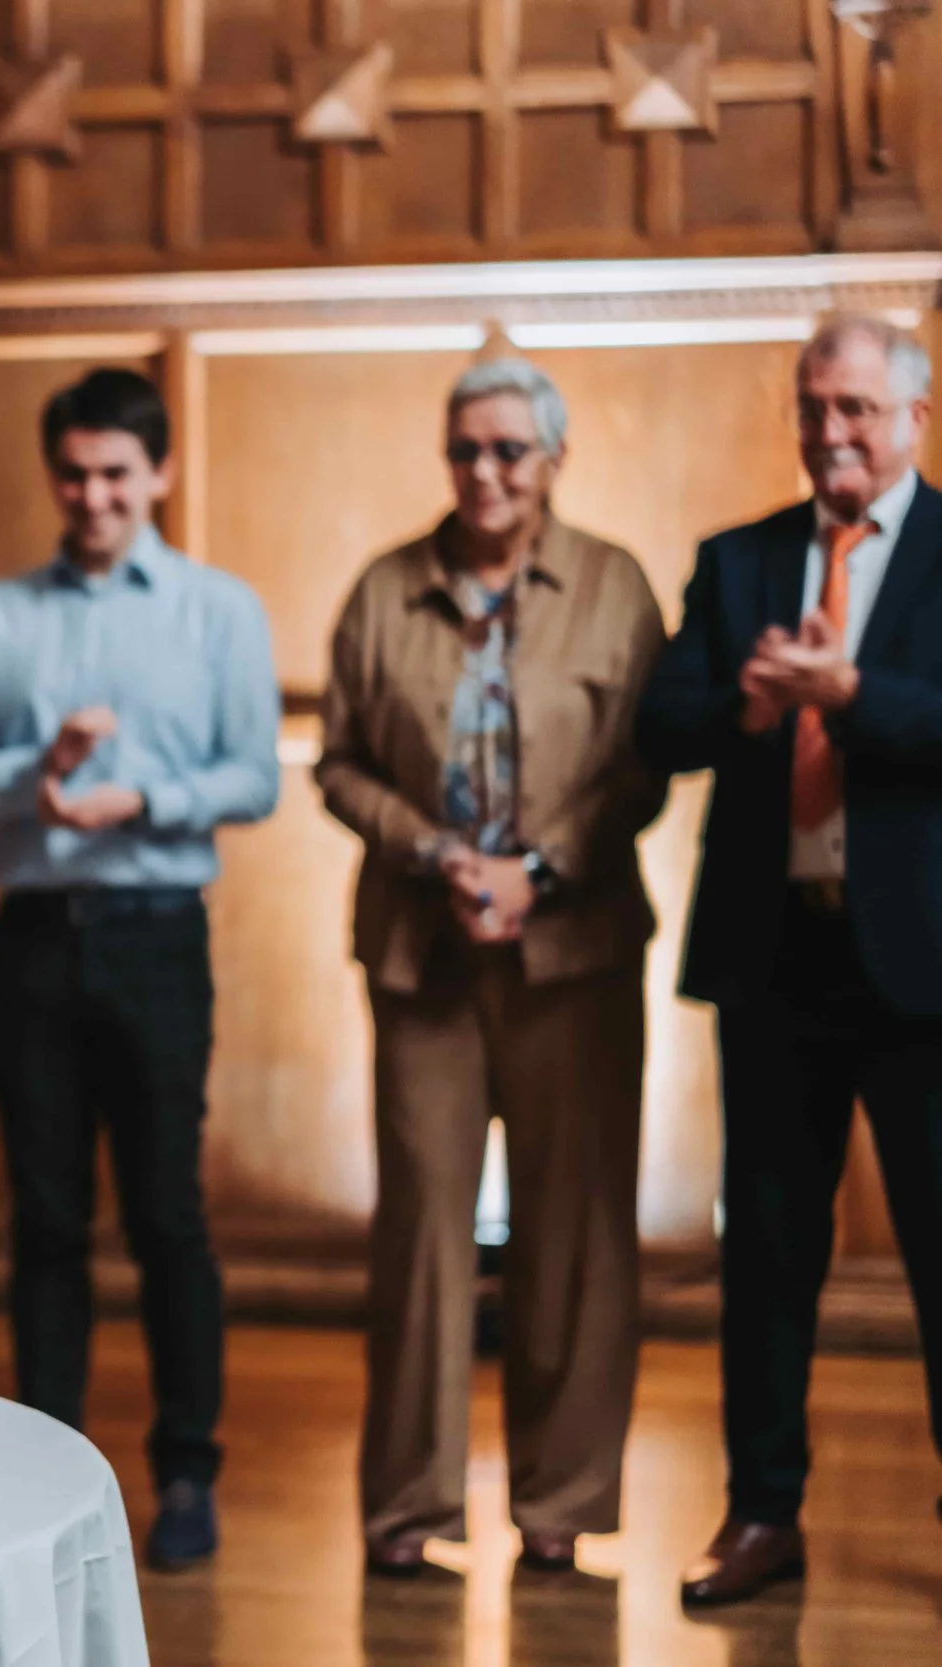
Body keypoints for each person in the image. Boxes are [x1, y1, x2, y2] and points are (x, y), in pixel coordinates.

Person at [316, 359, 667, 1576]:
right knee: (421, 1232)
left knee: (575, 1234)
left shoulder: (615, 587)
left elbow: (642, 764)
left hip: (575, 954)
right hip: (424, 958)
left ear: (553, 458)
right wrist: (432, 851)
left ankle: (560, 1507)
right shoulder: (382, 589)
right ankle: (408, 1511)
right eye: (465, 448)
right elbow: (341, 762)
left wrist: (543, 867)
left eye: (510, 449)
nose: (484, 471)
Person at [0, 366, 279, 1570]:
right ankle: (50, 1474)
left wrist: (145, 796)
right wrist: (35, 766)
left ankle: (185, 1469)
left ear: (160, 474)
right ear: (52, 475)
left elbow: (256, 775)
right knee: (43, 1217)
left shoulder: (217, 608)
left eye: (116, 475)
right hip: (30, 936)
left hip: (155, 928)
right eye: (74, 475)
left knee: (168, 1213)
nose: (93, 496)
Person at [638, 316, 942, 1607]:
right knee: (763, 1256)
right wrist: (753, 703)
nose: (832, 433)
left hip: (925, 974)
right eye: (815, 408)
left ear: (914, 416)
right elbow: (662, 723)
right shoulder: (739, 557)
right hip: (775, 962)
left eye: (858, 409)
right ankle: (763, 1512)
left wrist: (850, 691)